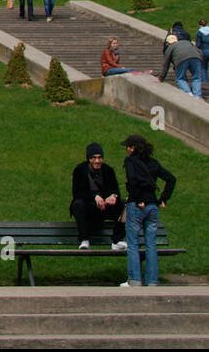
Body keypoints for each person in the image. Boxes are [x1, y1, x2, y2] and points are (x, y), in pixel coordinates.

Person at [120, 134, 175, 287]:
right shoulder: (153, 163)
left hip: (137, 205)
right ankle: (152, 281)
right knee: (151, 245)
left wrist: (138, 200)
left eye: (128, 147)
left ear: (132, 148)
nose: (127, 150)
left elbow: (132, 181)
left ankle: (135, 280)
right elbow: (171, 179)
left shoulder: (130, 161)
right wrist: (163, 198)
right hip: (152, 206)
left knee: (133, 244)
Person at [70, 143, 125, 250]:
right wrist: (94, 197)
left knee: (124, 205)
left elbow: (115, 190)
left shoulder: (108, 170)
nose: (97, 161)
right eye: (93, 158)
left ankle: (117, 240)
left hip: (105, 207)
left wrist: (113, 196)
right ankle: (84, 239)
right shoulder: (79, 170)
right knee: (78, 204)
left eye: (100, 158)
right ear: (88, 159)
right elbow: (77, 192)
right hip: (88, 207)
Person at [159, 32, 204, 98]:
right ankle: (197, 95)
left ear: (168, 43)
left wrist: (161, 78)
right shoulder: (187, 42)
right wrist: (200, 60)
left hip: (181, 60)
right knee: (196, 77)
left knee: (180, 78)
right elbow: (199, 51)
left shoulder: (170, 47)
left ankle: (188, 93)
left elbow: (166, 64)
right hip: (196, 58)